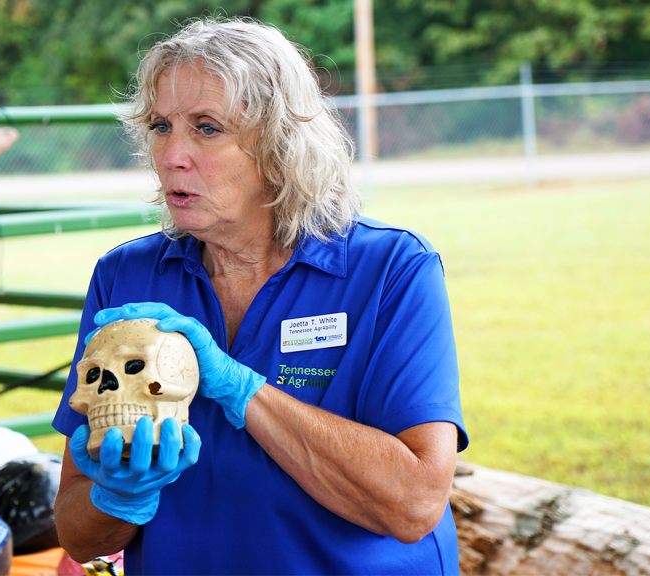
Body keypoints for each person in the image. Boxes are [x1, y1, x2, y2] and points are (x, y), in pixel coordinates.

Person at [52, 16, 468, 575]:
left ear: (279, 145)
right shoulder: (126, 278)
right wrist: (115, 498)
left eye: (206, 128)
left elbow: (414, 503)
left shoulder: (391, 269)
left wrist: (238, 387)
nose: (172, 154)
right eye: (159, 126)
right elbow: (78, 535)